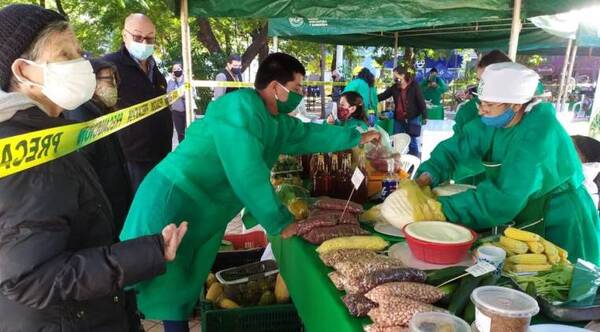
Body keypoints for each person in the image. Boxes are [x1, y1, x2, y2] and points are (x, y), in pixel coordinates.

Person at [119, 52, 381, 331]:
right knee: (156, 279)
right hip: (172, 198)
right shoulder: (239, 109)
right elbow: (247, 172)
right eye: (296, 89)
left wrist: (354, 136)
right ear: (274, 88)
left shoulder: (274, 119)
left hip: (202, 207)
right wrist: (279, 221)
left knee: (183, 281)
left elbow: (307, 134)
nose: (300, 95)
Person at [0, 4, 187, 332]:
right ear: (24, 71)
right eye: (64, 55)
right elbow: (31, 278)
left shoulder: (47, 130)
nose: (80, 64)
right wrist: (148, 253)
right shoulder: (26, 152)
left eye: (79, 52)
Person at [416, 62, 600, 264]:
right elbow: (460, 145)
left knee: (560, 284)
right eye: (481, 103)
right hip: (527, 213)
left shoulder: (538, 133)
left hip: (561, 219)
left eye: (489, 105)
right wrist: (431, 171)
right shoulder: (499, 120)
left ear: (516, 104)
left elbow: (504, 198)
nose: (481, 111)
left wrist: (439, 209)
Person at [102, 13, 173, 193]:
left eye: (150, 38)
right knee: (138, 207)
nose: (144, 43)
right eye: (137, 37)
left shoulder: (154, 68)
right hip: (132, 157)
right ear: (124, 35)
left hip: (161, 152)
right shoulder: (109, 66)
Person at [63, 58, 133, 234]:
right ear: (91, 82)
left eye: (116, 80)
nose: (114, 85)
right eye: (109, 80)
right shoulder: (81, 114)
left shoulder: (100, 110)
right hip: (103, 207)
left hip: (114, 200)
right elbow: (86, 167)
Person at [440, 50, 513, 185]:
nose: (482, 111)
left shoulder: (530, 123)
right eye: (479, 81)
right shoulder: (468, 111)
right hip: (468, 186)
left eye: (487, 82)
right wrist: (435, 171)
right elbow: (456, 148)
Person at [378, 64, 427, 157]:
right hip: (399, 119)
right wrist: (372, 99)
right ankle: (398, 163)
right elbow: (383, 96)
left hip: (412, 118)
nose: (394, 78)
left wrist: (425, 116)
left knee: (412, 142)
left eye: (395, 75)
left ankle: (414, 162)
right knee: (397, 141)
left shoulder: (414, 85)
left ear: (403, 75)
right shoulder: (394, 87)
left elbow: (421, 100)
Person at [167, 63, 188, 142]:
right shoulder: (170, 82)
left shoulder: (187, 80)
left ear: (182, 69)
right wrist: (172, 80)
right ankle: (183, 150)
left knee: (191, 132)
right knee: (180, 134)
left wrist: (180, 95)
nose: (176, 71)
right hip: (176, 111)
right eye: (174, 69)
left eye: (178, 69)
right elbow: (169, 94)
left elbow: (191, 93)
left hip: (188, 109)